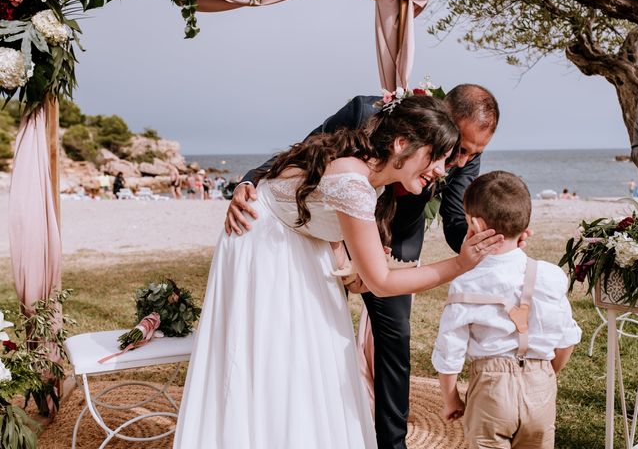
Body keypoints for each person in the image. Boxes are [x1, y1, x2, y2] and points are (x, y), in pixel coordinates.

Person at [174, 96, 504, 448]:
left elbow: (322, 215)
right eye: (435, 157)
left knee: (319, 356)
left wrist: (345, 261)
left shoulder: (367, 172)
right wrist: (460, 264)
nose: (441, 170)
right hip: (264, 245)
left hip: (303, 240)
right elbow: (383, 282)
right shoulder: (355, 181)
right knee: (274, 359)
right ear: (401, 144)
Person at [432, 171, 582, 449]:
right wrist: (545, 374)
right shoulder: (549, 276)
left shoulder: (466, 282)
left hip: (491, 389)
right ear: (525, 226)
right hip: (540, 385)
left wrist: (451, 399)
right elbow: (566, 339)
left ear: (474, 224)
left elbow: (449, 351)